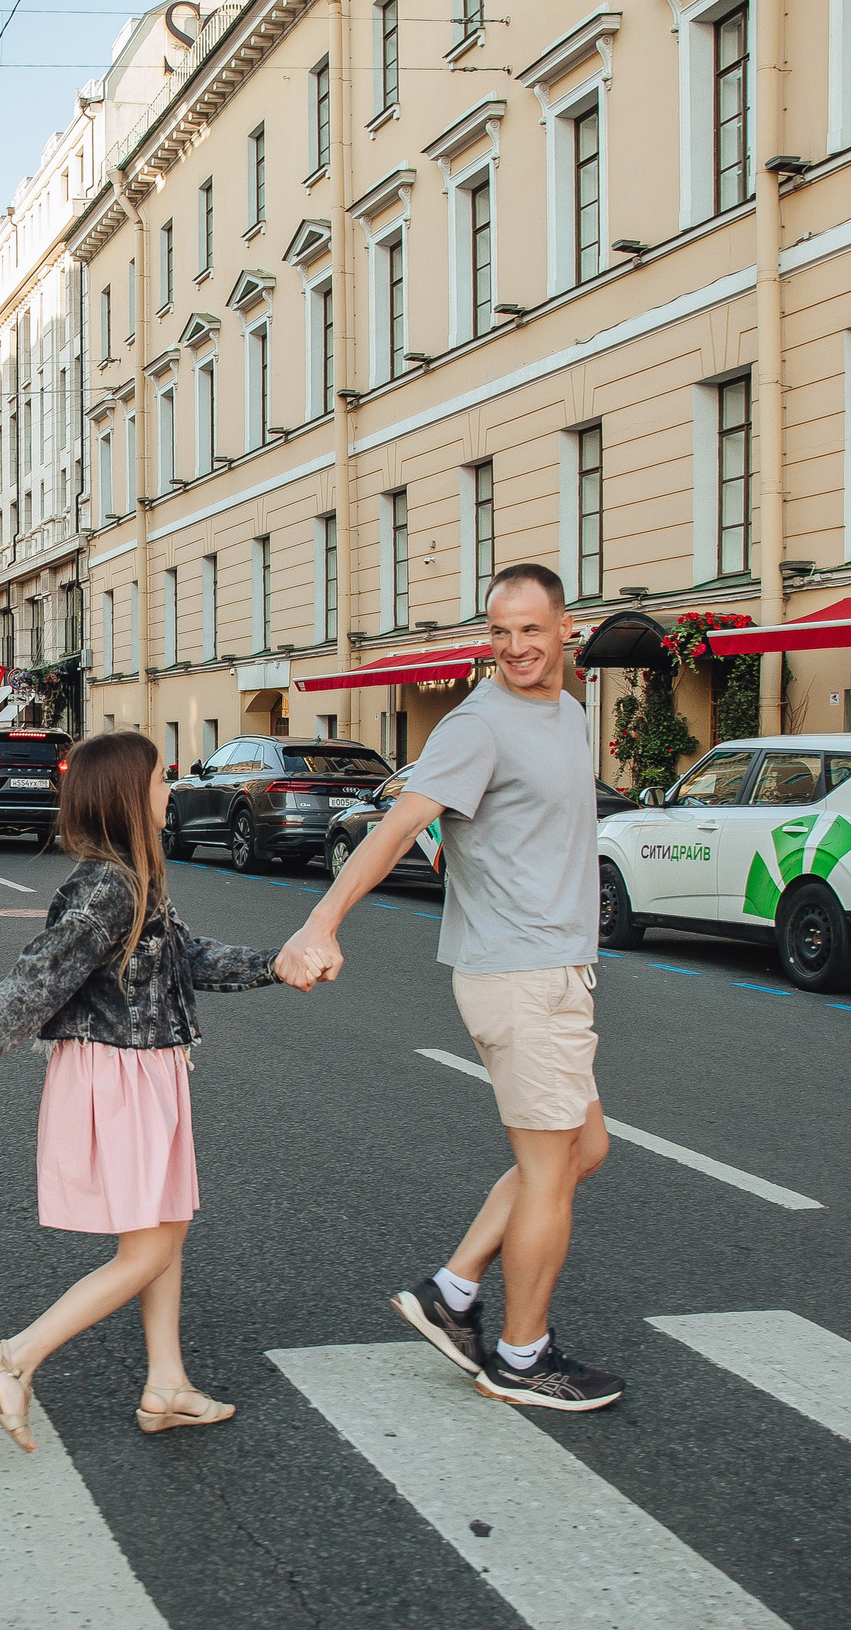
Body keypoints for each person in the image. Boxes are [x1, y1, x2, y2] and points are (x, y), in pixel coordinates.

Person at [0, 730, 311, 1448]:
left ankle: (167, 1383)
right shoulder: (106, 889)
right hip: (118, 1074)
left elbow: (185, 957)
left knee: (167, 1232)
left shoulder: (134, 875)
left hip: (146, 1066)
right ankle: (11, 1360)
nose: (169, 791)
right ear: (127, 797)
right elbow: (31, 988)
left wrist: (279, 962)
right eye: (159, 781)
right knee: (147, 1249)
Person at [278, 562, 621, 1411]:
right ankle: (520, 1356)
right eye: (499, 632)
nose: (514, 648)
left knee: (585, 1150)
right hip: (518, 973)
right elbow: (398, 825)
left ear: (564, 628)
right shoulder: (479, 725)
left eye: (530, 630)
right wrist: (321, 924)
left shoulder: (568, 712)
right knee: (549, 1170)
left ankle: (453, 1291)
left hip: (557, 969)